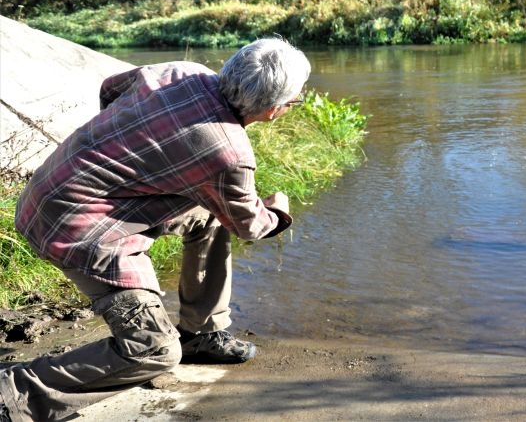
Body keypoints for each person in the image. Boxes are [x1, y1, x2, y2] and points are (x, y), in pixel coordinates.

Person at [0, 37, 311, 422]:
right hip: (77, 233)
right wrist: (277, 211)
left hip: (43, 195)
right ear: (274, 108)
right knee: (154, 350)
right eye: (295, 101)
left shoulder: (181, 72)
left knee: (211, 215)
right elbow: (250, 225)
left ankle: (201, 332)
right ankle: (13, 394)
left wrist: (130, 150)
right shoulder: (230, 155)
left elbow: (111, 89)